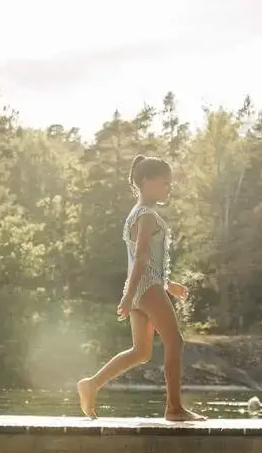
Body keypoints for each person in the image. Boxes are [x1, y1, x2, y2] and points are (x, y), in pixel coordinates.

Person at [77, 155, 202, 422]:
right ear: (146, 182)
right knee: (175, 341)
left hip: (141, 288)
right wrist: (129, 293)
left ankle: (92, 384)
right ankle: (174, 408)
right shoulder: (146, 215)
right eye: (164, 182)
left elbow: (145, 261)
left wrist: (167, 285)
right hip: (145, 288)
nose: (169, 188)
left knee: (141, 352)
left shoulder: (136, 214)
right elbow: (142, 258)